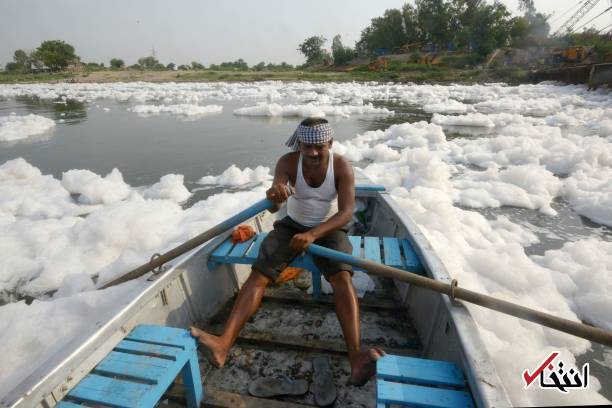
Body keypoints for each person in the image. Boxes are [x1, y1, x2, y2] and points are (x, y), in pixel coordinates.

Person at [190, 117, 384, 386]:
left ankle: (356, 358)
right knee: (259, 276)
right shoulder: (288, 163)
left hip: (329, 229)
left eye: (320, 147)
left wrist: (314, 234)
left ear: (330, 143)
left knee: (342, 278)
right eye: (308, 147)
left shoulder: (341, 166)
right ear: (300, 145)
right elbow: (272, 208)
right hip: (290, 226)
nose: (314, 152)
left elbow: (346, 212)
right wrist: (276, 196)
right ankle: (222, 344)